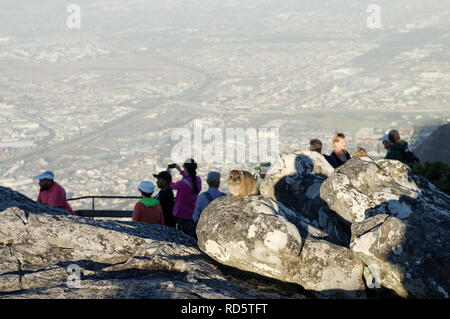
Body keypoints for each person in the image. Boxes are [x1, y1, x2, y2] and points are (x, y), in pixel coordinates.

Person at [169, 159, 202, 238]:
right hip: (193, 214)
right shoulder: (197, 180)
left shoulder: (182, 183)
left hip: (182, 214)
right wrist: (180, 170)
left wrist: (167, 173)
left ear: (185, 168)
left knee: (183, 237)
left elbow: (171, 185)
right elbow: (190, 179)